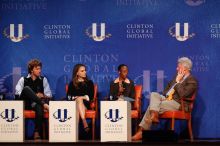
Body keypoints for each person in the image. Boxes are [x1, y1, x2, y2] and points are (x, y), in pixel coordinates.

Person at [132, 57, 198, 141]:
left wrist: (178, 82)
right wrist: (165, 97)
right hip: (167, 99)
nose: (176, 68)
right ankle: (153, 115)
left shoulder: (192, 81)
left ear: (185, 69)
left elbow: (183, 95)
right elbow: (165, 91)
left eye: (178, 67)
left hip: (178, 103)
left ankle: (142, 130)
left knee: (153, 107)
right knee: (154, 94)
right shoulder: (176, 76)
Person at [15, 59, 52, 140]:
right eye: (37, 69)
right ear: (31, 70)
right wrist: (34, 95)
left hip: (35, 104)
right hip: (24, 104)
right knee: (26, 89)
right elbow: (17, 95)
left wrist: (42, 95)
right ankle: (44, 105)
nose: (40, 71)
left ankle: (37, 132)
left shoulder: (43, 80)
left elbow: (49, 95)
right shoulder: (23, 79)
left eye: (40, 69)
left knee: (39, 106)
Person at [66, 64, 94, 132]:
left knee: (79, 100)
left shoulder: (89, 83)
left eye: (85, 70)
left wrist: (82, 97)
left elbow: (91, 96)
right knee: (77, 102)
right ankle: (84, 122)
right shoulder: (72, 84)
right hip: (74, 105)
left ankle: (74, 132)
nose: (85, 72)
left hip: (85, 104)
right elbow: (68, 97)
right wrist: (76, 98)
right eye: (82, 71)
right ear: (77, 73)